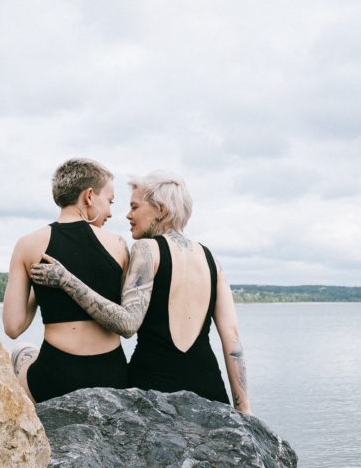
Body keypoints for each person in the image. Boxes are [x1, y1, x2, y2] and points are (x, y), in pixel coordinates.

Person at [30, 171, 251, 413]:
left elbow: (127, 324)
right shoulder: (211, 259)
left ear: (161, 210)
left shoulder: (147, 249)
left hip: (152, 390)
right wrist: (244, 410)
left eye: (135, 207)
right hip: (209, 388)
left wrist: (66, 280)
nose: (128, 215)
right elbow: (232, 338)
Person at [2, 158, 129, 403]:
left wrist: (38, 284)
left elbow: (13, 327)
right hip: (112, 376)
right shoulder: (119, 245)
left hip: (54, 377)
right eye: (110, 201)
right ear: (89, 196)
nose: (111, 212)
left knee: (22, 352)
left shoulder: (29, 244)